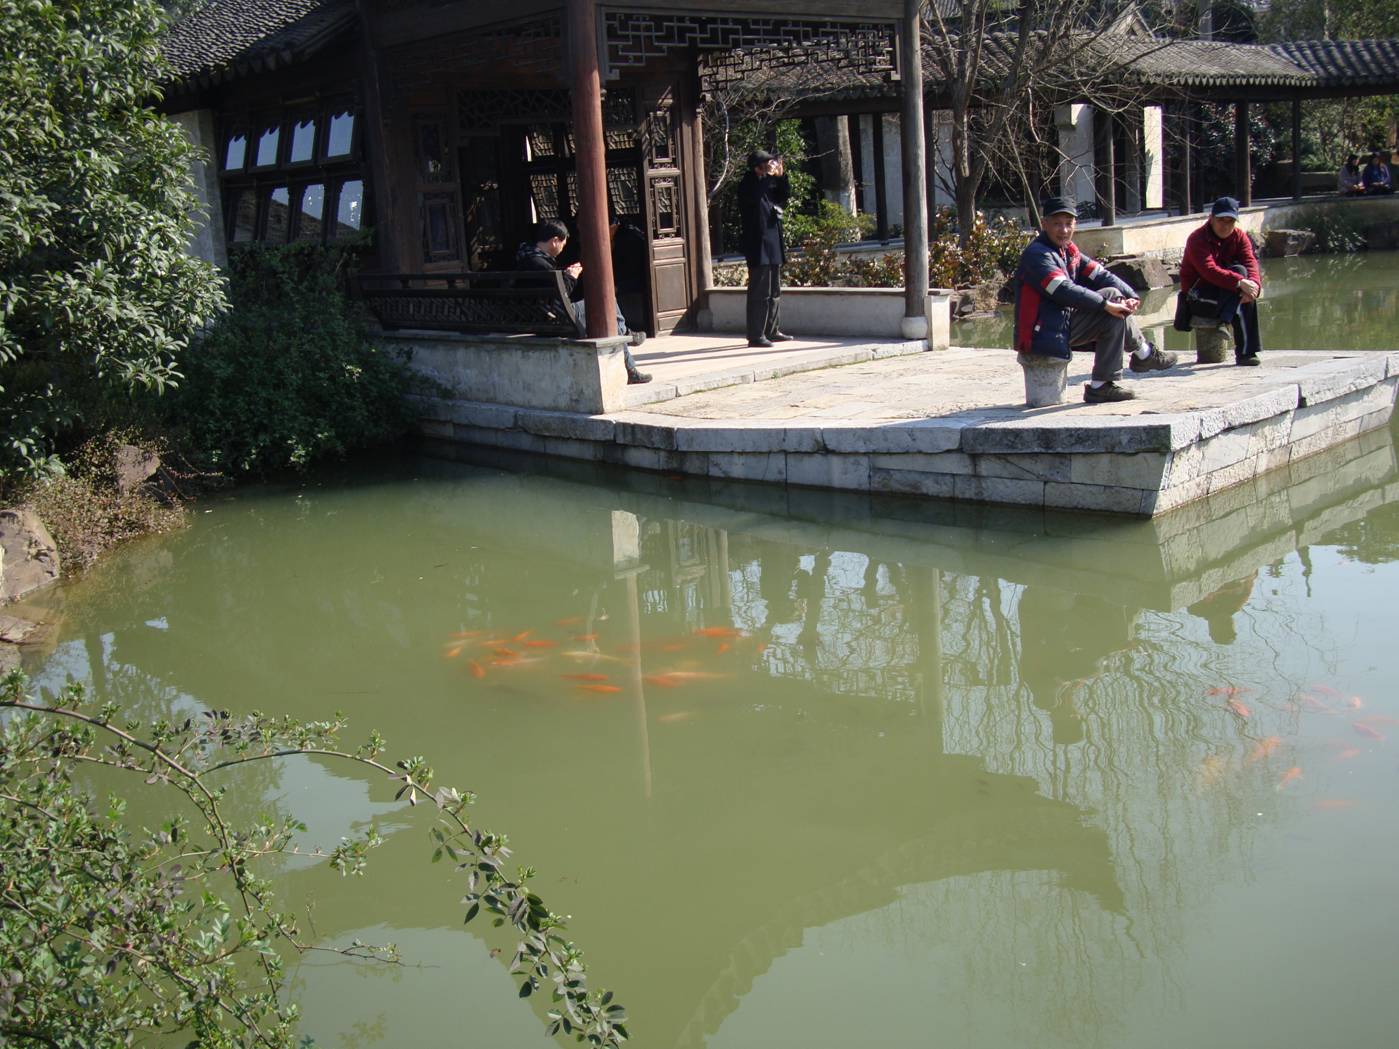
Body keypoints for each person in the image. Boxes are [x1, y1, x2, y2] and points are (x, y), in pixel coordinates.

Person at [1012, 196, 1177, 404]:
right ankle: (1142, 355)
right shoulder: (1037, 255)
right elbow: (1063, 290)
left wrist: (1131, 295)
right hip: (1041, 334)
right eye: (1057, 224)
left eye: (1068, 224)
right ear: (1044, 224)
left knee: (1114, 304)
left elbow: (1101, 275)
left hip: (1059, 325)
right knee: (1110, 302)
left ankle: (1104, 384)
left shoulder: (1069, 252)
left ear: (1075, 225)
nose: (1063, 230)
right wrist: (1105, 304)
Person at [514, 219, 650, 384]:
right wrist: (571, 277)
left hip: (535, 315)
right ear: (555, 241)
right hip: (555, 317)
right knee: (607, 301)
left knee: (611, 313)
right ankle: (628, 339)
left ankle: (629, 351)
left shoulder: (525, 256)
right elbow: (560, 294)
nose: (563, 247)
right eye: (563, 243)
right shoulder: (539, 264)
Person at [1175, 196, 1263, 367]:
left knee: (1243, 275)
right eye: (1221, 220)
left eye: (1230, 221)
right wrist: (1239, 283)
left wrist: (1254, 285)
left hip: (1225, 293)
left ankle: (1246, 352)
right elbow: (1209, 271)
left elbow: (1250, 262)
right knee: (1240, 284)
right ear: (1211, 219)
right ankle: (1230, 327)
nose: (1225, 225)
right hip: (1199, 296)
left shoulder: (1239, 237)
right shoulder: (1197, 239)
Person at [737, 149, 793, 348]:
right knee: (759, 293)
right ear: (757, 167)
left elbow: (784, 194)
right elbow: (754, 195)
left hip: (773, 242)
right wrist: (767, 176)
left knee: (774, 291)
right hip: (757, 244)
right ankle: (756, 334)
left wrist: (781, 175)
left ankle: (772, 329)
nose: (771, 166)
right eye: (767, 164)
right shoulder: (748, 184)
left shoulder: (768, 184)